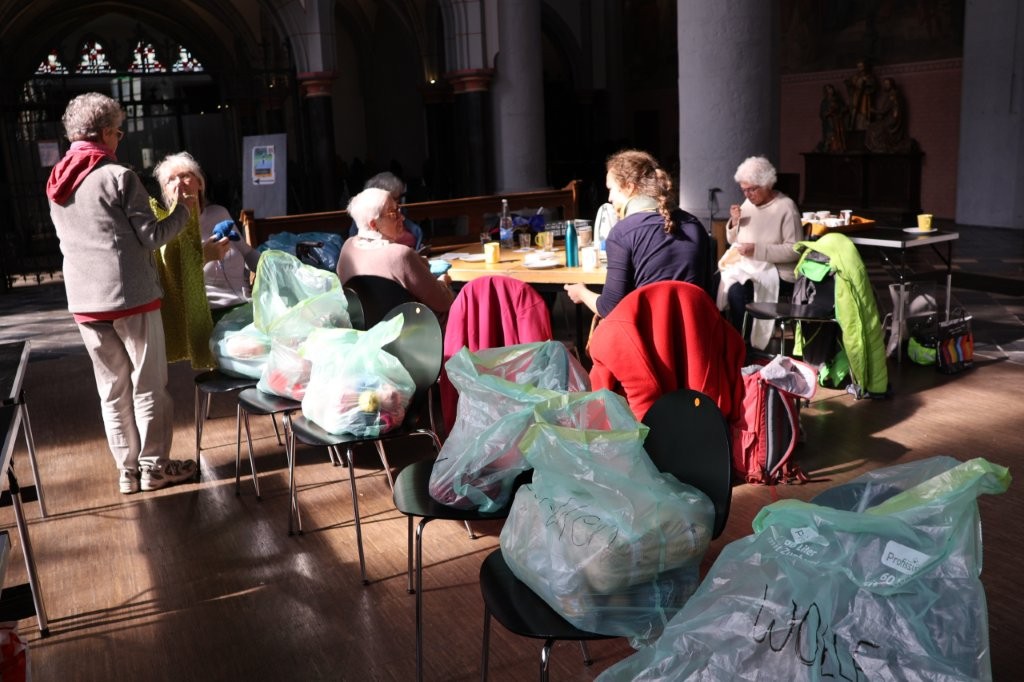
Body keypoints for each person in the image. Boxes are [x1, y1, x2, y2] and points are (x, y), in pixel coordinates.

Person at [45, 92, 197, 494]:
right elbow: (152, 237)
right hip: (131, 298)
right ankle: (154, 467)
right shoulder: (119, 176)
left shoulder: (56, 180)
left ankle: (127, 472)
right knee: (149, 385)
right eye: (118, 131)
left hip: (85, 301)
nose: (119, 138)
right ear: (104, 132)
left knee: (111, 390)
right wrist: (182, 209)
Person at [564, 149, 709, 318]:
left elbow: (610, 309)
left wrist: (581, 292)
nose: (609, 198)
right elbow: (707, 293)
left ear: (629, 187)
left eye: (611, 189)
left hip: (646, 332)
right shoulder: (694, 225)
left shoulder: (623, 232)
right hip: (695, 330)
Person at [153, 152, 261, 320]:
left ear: (199, 183)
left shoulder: (219, 213)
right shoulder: (167, 230)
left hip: (248, 306)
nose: (179, 182)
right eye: (171, 180)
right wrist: (204, 257)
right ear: (166, 192)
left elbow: (247, 253)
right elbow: (173, 287)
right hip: (210, 317)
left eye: (185, 176)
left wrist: (272, 267)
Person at [716, 156, 802, 347]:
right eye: (744, 190)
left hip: (779, 272)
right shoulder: (748, 205)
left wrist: (757, 250)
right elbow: (733, 241)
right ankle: (728, 342)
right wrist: (734, 223)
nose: (747, 195)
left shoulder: (786, 207)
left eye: (752, 189)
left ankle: (744, 345)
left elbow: (795, 250)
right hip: (752, 267)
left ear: (767, 184)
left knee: (738, 290)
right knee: (720, 281)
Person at [337, 187, 453, 316]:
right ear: (373, 225)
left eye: (398, 209)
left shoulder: (347, 247)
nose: (402, 217)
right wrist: (444, 281)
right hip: (411, 325)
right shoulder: (400, 255)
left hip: (364, 326)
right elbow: (443, 302)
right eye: (393, 214)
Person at [348, 171, 423, 250]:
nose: (402, 217)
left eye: (399, 198)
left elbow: (416, 232)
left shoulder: (401, 212)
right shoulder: (362, 221)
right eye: (394, 198)